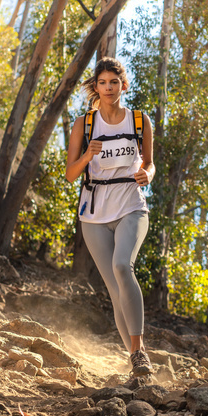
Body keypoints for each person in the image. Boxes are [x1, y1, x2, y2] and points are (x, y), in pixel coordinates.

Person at [66, 56, 154, 377]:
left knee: (122, 266)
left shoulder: (140, 121)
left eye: (113, 82)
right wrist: (87, 154)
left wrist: (147, 174)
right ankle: (136, 361)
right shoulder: (84, 124)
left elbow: (149, 162)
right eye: (102, 82)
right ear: (96, 86)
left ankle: (140, 350)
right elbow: (70, 174)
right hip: (94, 217)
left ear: (122, 85)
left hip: (131, 206)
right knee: (116, 293)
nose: (108, 88)